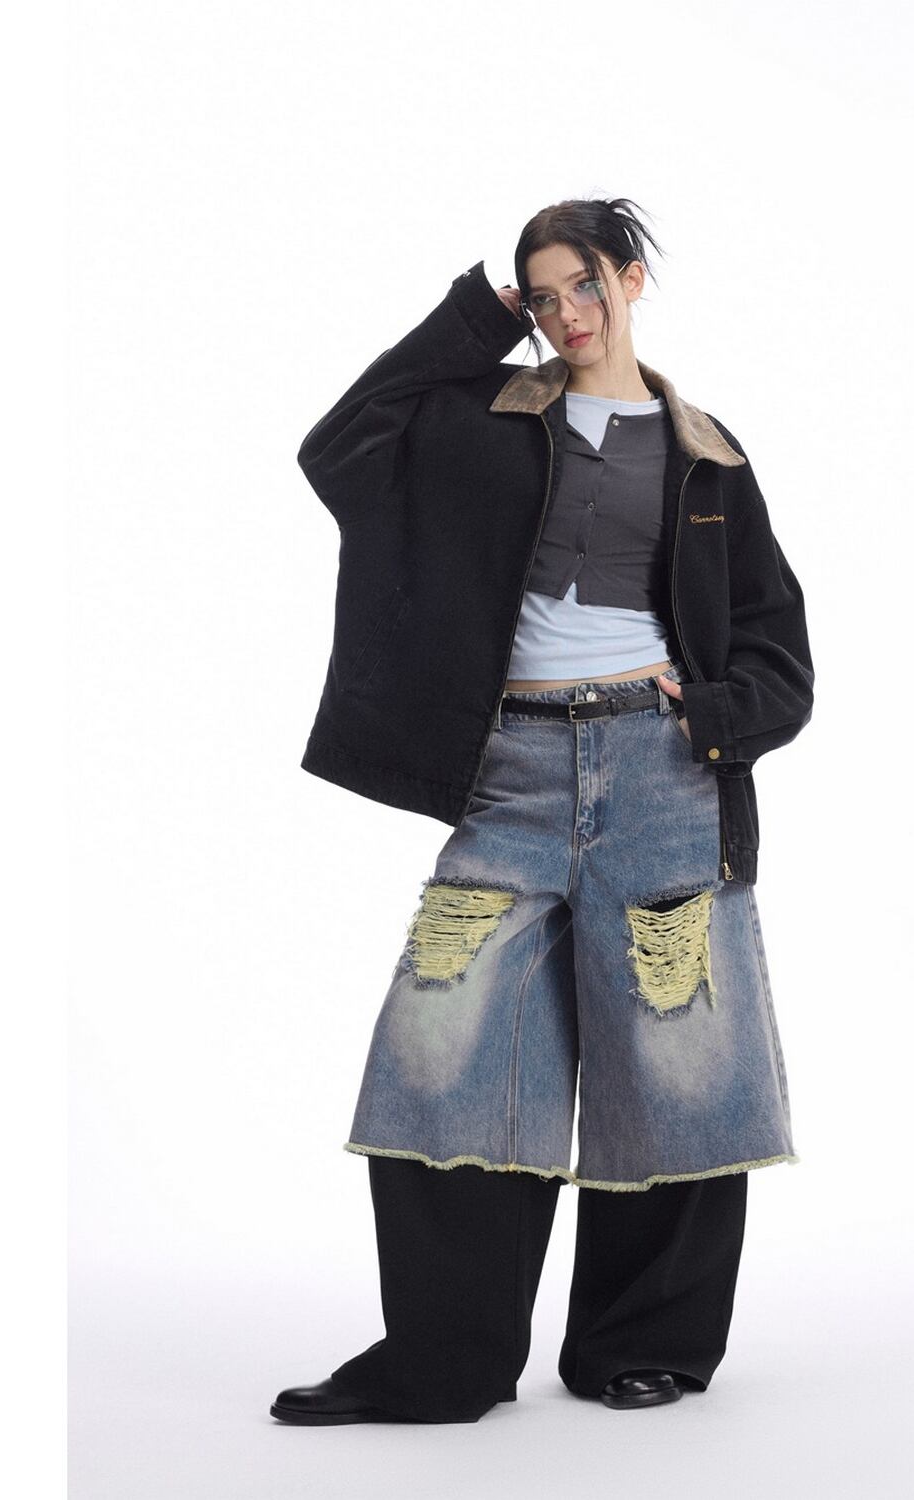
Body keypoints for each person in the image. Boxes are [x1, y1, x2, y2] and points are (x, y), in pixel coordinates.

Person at [271, 197, 815, 1425]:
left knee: (673, 1059)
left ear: (631, 280)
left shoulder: (710, 454)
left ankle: (642, 1346)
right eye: (543, 293)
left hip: (663, 778)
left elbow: (778, 647)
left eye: (585, 285)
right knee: (442, 1047)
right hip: (509, 775)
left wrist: (713, 715)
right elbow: (337, 448)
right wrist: (476, 321)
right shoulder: (485, 416)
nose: (568, 313)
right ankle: (443, 1362)